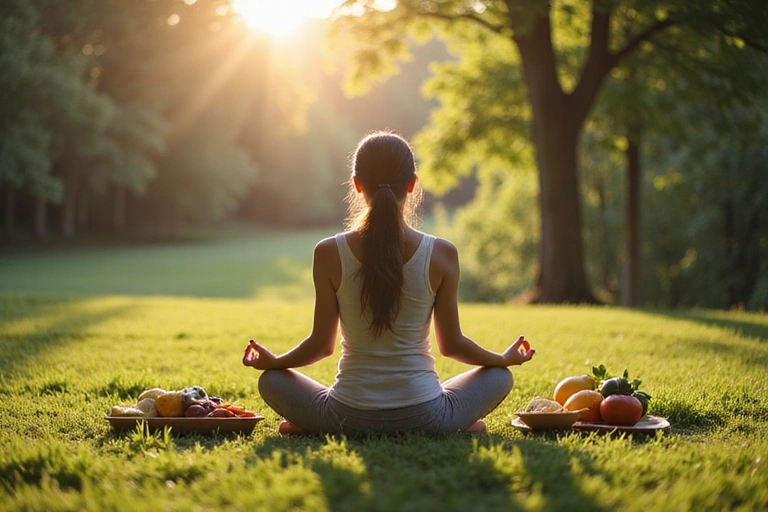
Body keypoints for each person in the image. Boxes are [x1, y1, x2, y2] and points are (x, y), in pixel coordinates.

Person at [242, 131, 535, 435]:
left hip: (345, 417)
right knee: (501, 376)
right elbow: (451, 345)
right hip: (427, 416)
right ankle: (454, 424)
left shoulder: (328, 253)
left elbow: (321, 346)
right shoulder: (442, 254)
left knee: (270, 380)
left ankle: (313, 426)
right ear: (412, 184)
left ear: (356, 185)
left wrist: (275, 363)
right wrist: (503, 359)